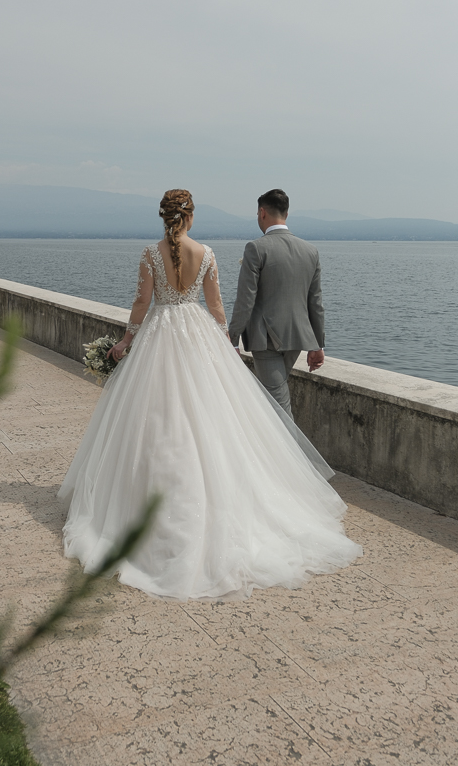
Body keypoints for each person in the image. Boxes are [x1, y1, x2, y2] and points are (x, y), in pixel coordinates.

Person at [58, 189, 361, 601]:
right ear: (192, 216)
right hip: (197, 337)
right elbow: (217, 308)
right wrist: (224, 347)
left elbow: (142, 302)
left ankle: (141, 504)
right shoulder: (208, 253)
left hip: (160, 338)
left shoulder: (150, 253)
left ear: (164, 217)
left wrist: (126, 341)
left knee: (156, 420)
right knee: (210, 422)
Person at [229, 189, 324, 419]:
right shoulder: (310, 251)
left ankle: (293, 456)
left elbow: (245, 300)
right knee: (271, 402)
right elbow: (316, 302)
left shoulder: (256, 248)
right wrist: (317, 345)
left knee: (278, 408)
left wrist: (232, 339)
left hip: (267, 339)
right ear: (287, 214)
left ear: (262, 212)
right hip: (297, 339)